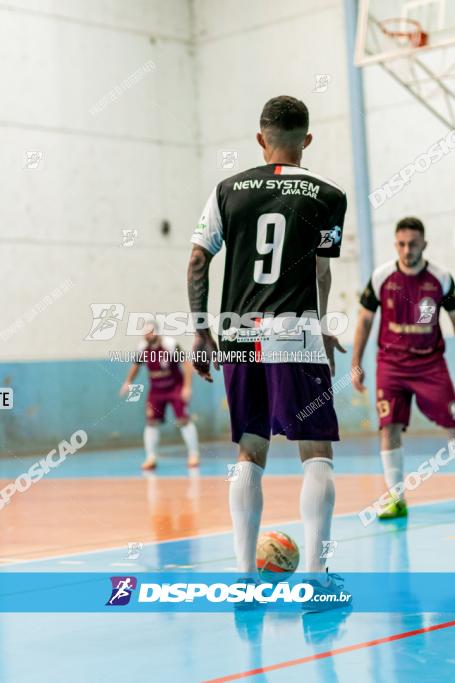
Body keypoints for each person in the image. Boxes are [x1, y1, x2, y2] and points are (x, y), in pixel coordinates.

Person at [187, 95, 349, 606]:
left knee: (250, 452)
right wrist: (321, 327)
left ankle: (243, 581)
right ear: (307, 140)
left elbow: (197, 261)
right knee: (315, 451)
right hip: (294, 332)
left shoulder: (226, 191)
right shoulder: (328, 196)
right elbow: (321, 271)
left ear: (260, 139)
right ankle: (317, 582)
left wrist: (200, 329)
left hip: (238, 335)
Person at [352, 216, 455, 518]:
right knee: (389, 427)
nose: (407, 249)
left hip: (430, 365)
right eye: (401, 244)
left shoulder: (442, 278)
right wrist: (356, 362)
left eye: (412, 244)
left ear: (424, 244)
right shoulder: (382, 277)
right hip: (391, 365)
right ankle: (395, 498)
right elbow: (365, 320)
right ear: (395, 244)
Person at [120, 320, 200, 469]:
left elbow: (187, 364)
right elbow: (136, 366)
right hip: (156, 390)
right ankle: (151, 458)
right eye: (144, 333)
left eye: (149, 332)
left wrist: (187, 387)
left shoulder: (170, 344)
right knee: (151, 422)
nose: (146, 336)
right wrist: (128, 381)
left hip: (175, 387)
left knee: (183, 420)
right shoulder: (143, 348)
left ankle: (193, 454)